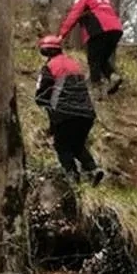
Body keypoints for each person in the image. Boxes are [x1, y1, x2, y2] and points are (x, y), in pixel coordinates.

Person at [34, 35, 104, 185]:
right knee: (77, 144)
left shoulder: (50, 67)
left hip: (64, 112)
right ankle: (93, 169)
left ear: (46, 51)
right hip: (87, 113)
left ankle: (72, 176)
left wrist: (51, 119)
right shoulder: (74, 64)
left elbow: (42, 94)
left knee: (61, 145)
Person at [58, 0, 125, 94]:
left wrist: (61, 35)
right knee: (102, 59)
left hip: (99, 30)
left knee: (93, 59)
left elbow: (73, 16)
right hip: (116, 30)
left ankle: (96, 89)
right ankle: (113, 76)